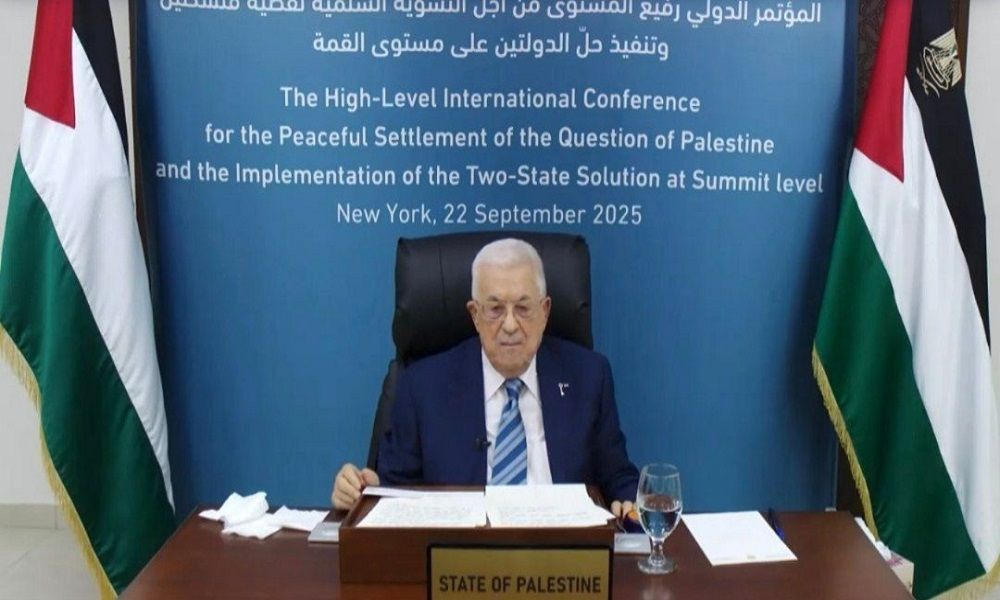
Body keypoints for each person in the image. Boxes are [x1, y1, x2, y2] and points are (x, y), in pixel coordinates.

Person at [332, 238, 639, 519]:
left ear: (545, 311)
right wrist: (364, 492)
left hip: (565, 552)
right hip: (456, 553)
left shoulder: (588, 377)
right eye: (495, 309)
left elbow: (617, 477)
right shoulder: (422, 387)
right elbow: (394, 489)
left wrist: (629, 503)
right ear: (474, 314)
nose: (510, 325)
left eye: (523, 308)